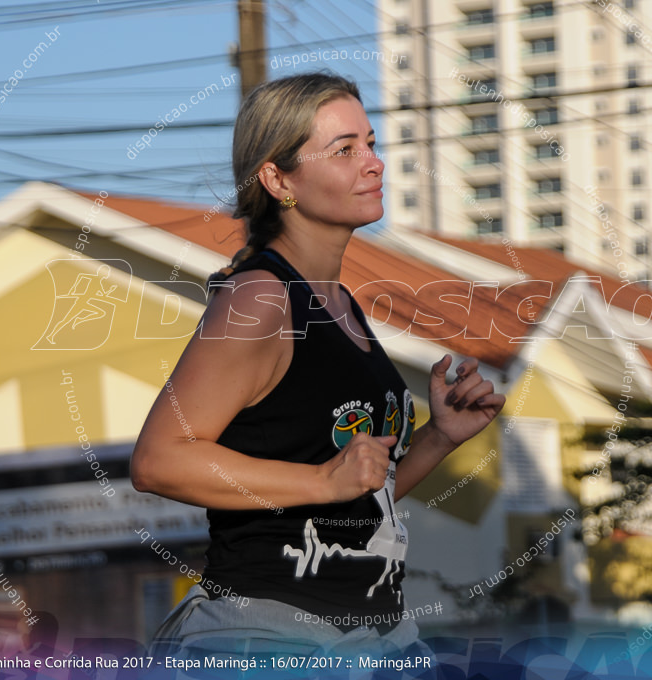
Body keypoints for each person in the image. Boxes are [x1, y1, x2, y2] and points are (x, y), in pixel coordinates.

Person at [130, 72, 505, 662]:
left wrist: (437, 438)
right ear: (278, 179)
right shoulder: (261, 299)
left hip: (371, 641)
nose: (373, 163)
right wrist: (321, 481)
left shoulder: (339, 303)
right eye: (344, 150)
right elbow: (159, 460)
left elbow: (355, 500)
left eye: (372, 143)